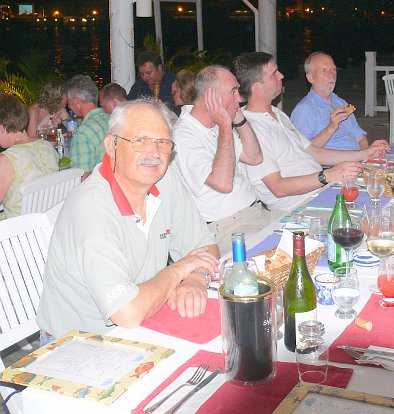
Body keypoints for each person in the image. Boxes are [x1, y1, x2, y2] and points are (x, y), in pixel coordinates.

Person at [37, 99, 219, 338]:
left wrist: (195, 278)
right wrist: (178, 271)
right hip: (78, 343)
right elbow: (127, 313)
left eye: (162, 142)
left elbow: (205, 246)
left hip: (143, 323)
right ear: (111, 145)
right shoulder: (91, 206)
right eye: (140, 140)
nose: (153, 153)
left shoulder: (165, 180)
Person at [234, 52, 385, 212]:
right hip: (299, 206)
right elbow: (277, 188)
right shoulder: (251, 129)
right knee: (376, 209)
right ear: (257, 87)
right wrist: (327, 176)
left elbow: (315, 153)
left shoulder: (277, 114)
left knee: (383, 194)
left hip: (320, 190)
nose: (281, 75)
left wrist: (365, 154)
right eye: (274, 73)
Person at [173, 65, 273, 256]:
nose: (240, 99)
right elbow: (223, 184)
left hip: (257, 213)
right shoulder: (184, 136)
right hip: (228, 228)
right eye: (233, 92)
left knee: (309, 234)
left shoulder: (216, 124)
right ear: (211, 96)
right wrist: (226, 125)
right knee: (280, 256)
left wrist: (239, 119)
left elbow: (254, 157)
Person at [291, 52, 387, 151]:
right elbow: (301, 151)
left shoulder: (340, 102)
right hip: (333, 161)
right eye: (324, 70)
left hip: (357, 157)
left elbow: (360, 137)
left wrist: (366, 154)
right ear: (310, 78)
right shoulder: (305, 109)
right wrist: (331, 128)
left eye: (333, 69)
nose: (331, 75)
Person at [0, 94, 59, 219]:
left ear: (2, 127)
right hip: (50, 223)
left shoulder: (7, 160)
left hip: (18, 228)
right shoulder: (47, 147)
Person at [65, 75, 110, 179]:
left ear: (77, 101)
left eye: (68, 102)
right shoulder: (110, 118)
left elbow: (82, 177)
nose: (69, 106)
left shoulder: (83, 133)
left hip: (99, 186)